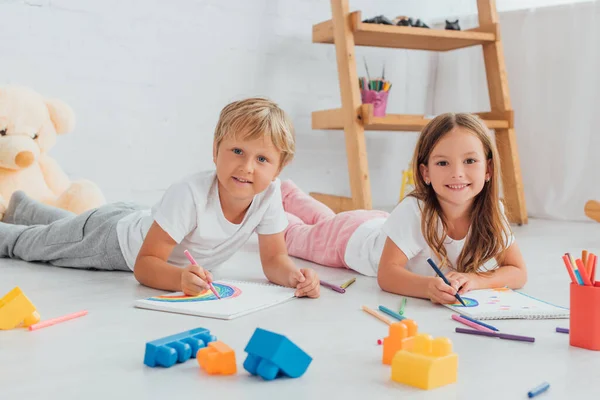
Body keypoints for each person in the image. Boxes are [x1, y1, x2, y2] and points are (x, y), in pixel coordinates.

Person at [0, 98, 320, 298]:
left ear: (280, 168)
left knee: (67, 230)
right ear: (215, 150)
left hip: (138, 221)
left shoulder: (269, 195)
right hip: (112, 241)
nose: (247, 167)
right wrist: (179, 278)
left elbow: (274, 260)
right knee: (32, 245)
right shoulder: (191, 194)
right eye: (237, 151)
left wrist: (294, 277)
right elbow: (145, 265)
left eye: (262, 159)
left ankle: (22, 207)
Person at [282, 113, 526, 304]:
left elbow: (517, 272)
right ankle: (275, 201)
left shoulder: (493, 212)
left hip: (378, 225)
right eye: (443, 162)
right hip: (346, 240)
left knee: (324, 219)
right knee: (293, 235)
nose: (457, 173)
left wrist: (474, 280)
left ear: (488, 169)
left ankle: (289, 193)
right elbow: (387, 275)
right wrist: (427, 287)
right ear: (425, 172)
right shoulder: (415, 210)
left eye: (470, 161)